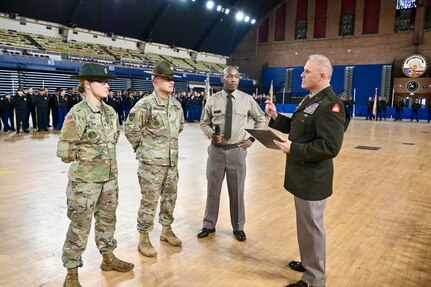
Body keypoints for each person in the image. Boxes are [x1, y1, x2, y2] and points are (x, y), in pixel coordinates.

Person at [265, 54, 349, 287]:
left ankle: (315, 279)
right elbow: (296, 126)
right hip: (302, 176)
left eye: (306, 71)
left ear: (322, 76)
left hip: (313, 179)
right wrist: (275, 116)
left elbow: (330, 146)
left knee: (312, 228)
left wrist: (295, 148)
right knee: (305, 226)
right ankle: (308, 261)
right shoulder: (312, 99)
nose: (301, 74)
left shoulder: (330, 105)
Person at [57, 63, 134, 287]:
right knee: (80, 225)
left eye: (106, 82)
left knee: (108, 220)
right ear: (86, 85)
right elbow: (64, 152)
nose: (107, 86)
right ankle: (71, 273)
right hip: (85, 183)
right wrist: (89, 159)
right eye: (101, 82)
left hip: (109, 179)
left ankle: (108, 258)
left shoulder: (110, 112)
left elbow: (114, 139)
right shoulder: (77, 114)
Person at [197, 65, 266, 242]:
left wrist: (252, 139)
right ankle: (208, 224)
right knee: (213, 189)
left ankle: (238, 227)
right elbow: (204, 122)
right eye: (230, 76)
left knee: (237, 191)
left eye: (236, 77)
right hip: (216, 152)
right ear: (222, 78)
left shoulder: (247, 99)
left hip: (237, 150)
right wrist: (211, 135)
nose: (233, 79)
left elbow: (260, 119)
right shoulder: (213, 100)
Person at [125, 60, 184, 257]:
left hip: (172, 163)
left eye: (172, 79)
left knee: (170, 198)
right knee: (149, 201)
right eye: (166, 78)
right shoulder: (145, 104)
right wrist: (143, 150)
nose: (171, 82)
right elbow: (131, 130)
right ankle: (144, 236)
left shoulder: (176, 106)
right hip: (151, 165)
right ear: (155, 81)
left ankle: (166, 230)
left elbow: (179, 129)